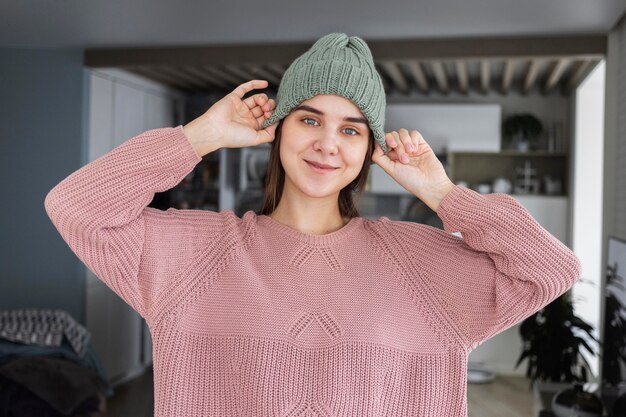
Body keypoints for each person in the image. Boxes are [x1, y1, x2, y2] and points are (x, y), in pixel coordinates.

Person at [44, 33, 581, 417]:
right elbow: (76, 208)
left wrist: (442, 193)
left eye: (351, 129)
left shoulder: (418, 264)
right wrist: (197, 136)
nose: (328, 143)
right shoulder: (198, 254)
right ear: (277, 131)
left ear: (370, 148)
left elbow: (550, 269)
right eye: (309, 119)